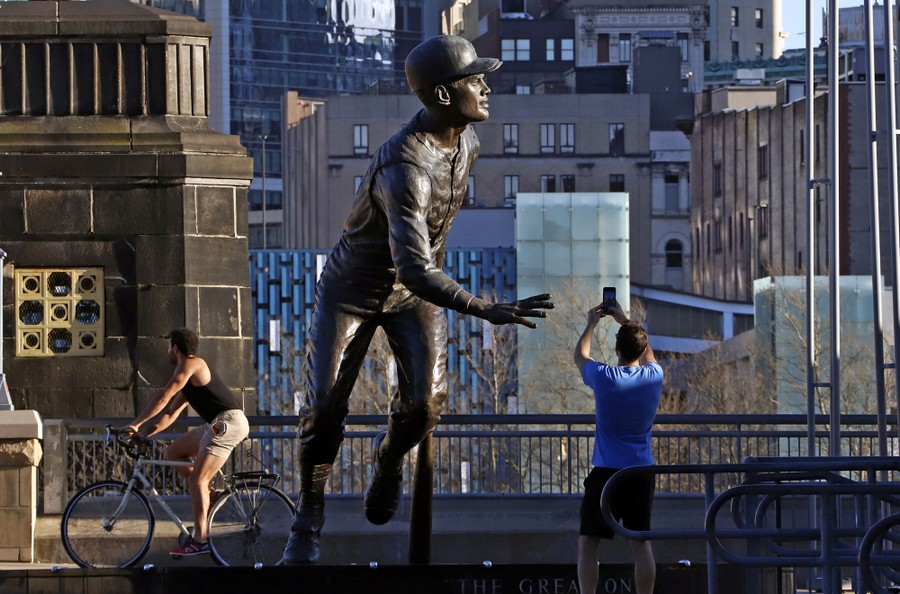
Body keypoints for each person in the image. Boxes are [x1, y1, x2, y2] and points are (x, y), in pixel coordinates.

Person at [279, 34, 554, 565]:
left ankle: (388, 460)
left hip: (413, 293)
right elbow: (414, 264)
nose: (486, 86)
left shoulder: (467, 144)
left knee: (426, 406)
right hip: (355, 292)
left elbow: (421, 267)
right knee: (324, 407)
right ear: (446, 95)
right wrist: (484, 308)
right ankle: (307, 518)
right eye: (476, 79)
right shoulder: (404, 170)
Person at [124, 328, 250, 558]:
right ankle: (209, 495)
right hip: (216, 423)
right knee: (173, 453)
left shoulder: (191, 364)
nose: (167, 351)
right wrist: (143, 433)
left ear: (175, 348)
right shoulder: (189, 378)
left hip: (228, 422)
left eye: (168, 346)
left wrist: (135, 423)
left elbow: (163, 397)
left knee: (196, 480)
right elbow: (169, 414)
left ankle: (200, 539)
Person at [573, 301, 662, 594]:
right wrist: (625, 319)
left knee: (589, 542)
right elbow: (647, 352)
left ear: (617, 349)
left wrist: (591, 323)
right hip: (640, 471)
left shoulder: (604, 377)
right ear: (641, 349)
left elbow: (580, 356)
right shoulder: (654, 377)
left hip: (607, 472)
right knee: (641, 543)